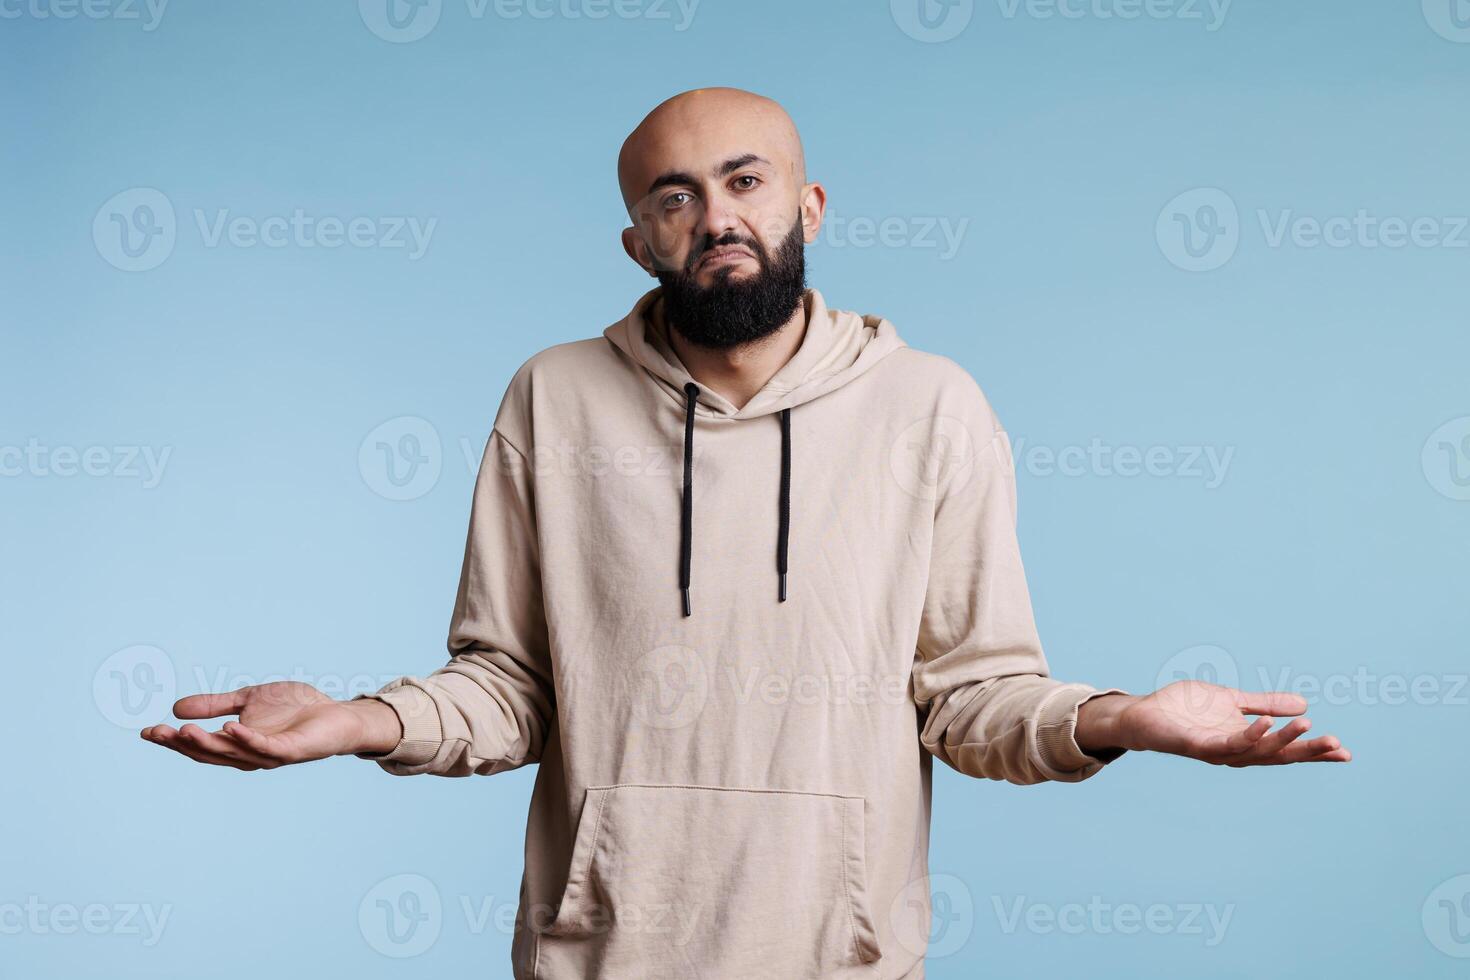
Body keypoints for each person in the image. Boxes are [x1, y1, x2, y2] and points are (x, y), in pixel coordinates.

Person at [140, 87, 1351, 979]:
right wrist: (362, 721)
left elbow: (971, 697)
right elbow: (510, 688)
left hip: (843, 954)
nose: (716, 215)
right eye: (675, 196)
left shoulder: (933, 404)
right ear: (638, 240)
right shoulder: (552, 397)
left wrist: (1115, 720)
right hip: (594, 952)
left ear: (807, 201)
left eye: (745, 179)